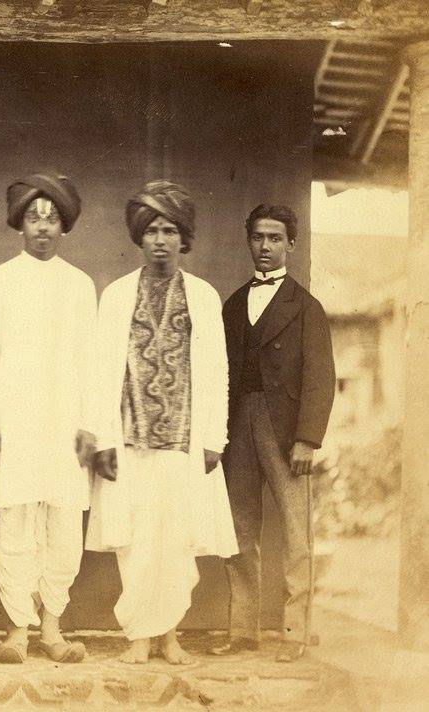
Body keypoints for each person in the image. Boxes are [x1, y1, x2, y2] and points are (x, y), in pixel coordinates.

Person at [86, 180, 238, 664]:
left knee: (176, 538)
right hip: (129, 437)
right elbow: (100, 369)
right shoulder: (116, 295)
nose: (159, 240)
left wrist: (215, 437)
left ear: (183, 238)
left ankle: (169, 634)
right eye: (151, 230)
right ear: (139, 236)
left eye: (169, 230)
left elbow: (218, 370)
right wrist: (103, 438)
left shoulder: (203, 296)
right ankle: (139, 635)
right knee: (135, 537)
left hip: (183, 439)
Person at [211, 204, 335, 663]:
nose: (265, 246)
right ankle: (243, 631)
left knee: (297, 533)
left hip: (285, 428)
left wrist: (307, 439)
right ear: (250, 241)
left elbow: (320, 376)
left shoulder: (306, 307)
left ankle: (296, 632)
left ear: (291, 244)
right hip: (238, 425)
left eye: (275, 238)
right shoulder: (233, 304)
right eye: (259, 237)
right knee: (240, 529)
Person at [0, 173, 95, 664]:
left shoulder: (80, 285)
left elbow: (92, 363)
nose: (43, 227)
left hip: (66, 424)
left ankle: (52, 628)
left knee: (64, 525)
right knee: (16, 524)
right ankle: (17, 631)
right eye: (33, 217)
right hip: (15, 423)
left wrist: (90, 424)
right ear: (20, 224)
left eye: (51, 219)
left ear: (63, 226)